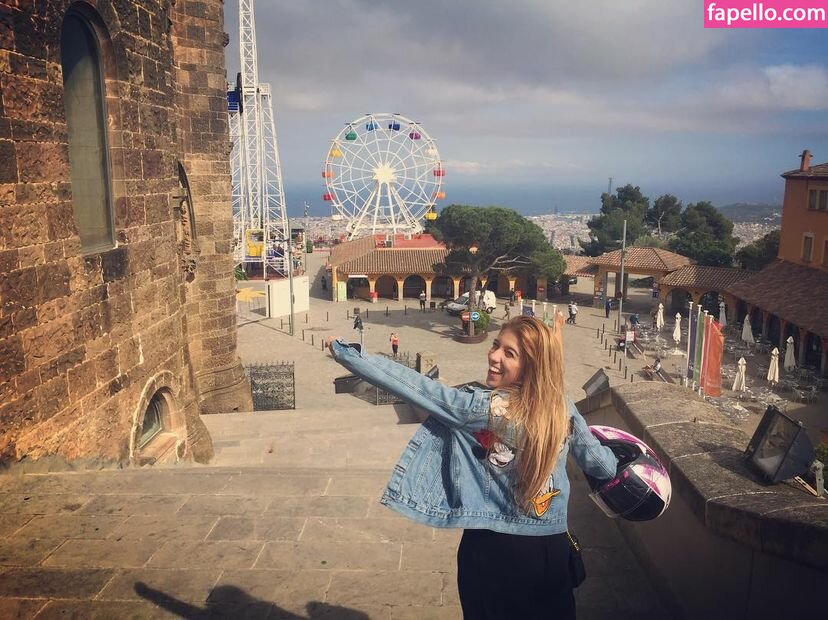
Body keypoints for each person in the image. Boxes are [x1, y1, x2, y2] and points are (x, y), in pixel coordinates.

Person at [325, 317, 617, 618]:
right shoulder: (562, 408)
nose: (494, 356)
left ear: (531, 366)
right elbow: (602, 466)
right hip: (550, 551)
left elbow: (414, 386)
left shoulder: (484, 409)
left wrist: (346, 352)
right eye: (496, 345)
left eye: (509, 353)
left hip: (493, 550)